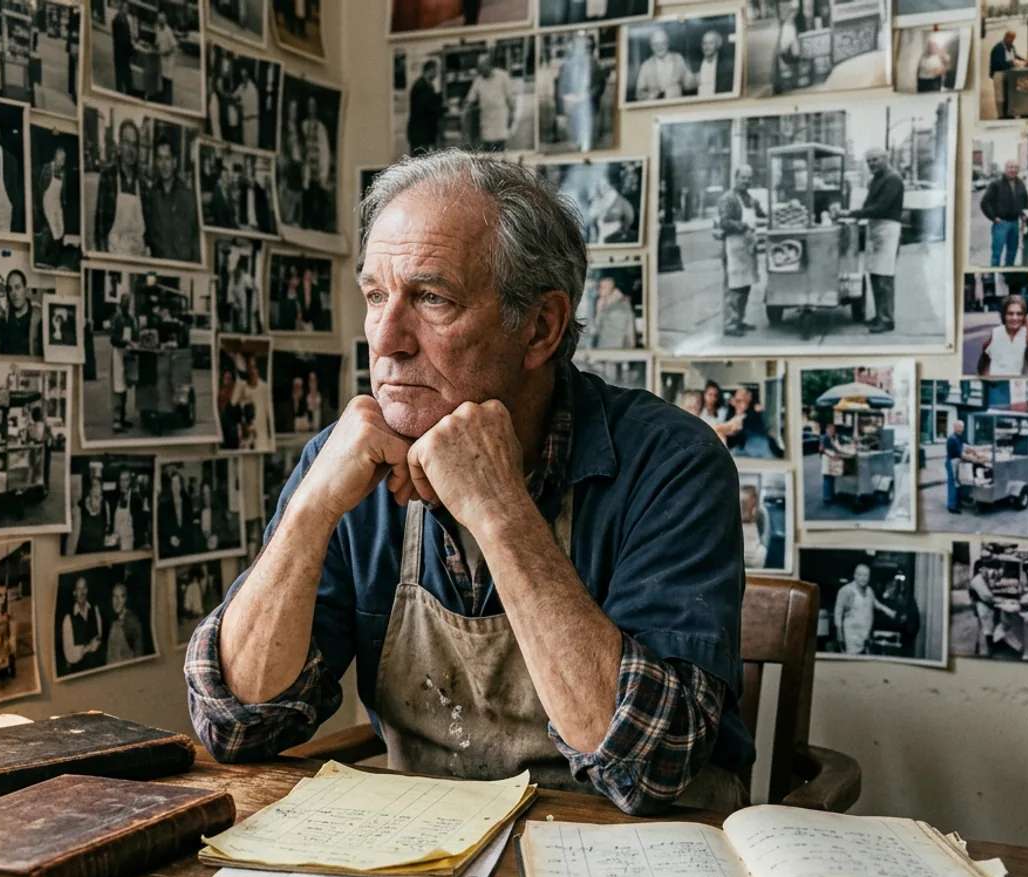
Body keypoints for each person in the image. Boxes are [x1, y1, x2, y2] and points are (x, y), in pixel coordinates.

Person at [186, 151, 755, 816]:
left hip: (633, 859)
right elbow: (236, 724)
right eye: (375, 296)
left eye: (432, 298)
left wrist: (498, 507)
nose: (387, 339)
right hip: (427, 857)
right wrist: (311, 507)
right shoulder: (346, 462)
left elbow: (647, 765)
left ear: (540, 327)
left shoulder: (671, 462)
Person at [847, 149, 904, 333]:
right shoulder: (875, 180)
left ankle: (886, 319)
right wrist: (855, 214)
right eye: (868, 160)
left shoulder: (893, 179)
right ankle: (880, 315)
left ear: (885, 159)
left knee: (884, 276)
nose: (871, 164)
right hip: (875, 227)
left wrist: (853, 214)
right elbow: (868, 205)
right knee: (875, 274)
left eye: (875, 160)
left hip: (888, 228)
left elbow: (881, 207)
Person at [715, 165, 766, 338]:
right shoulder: (728, 199)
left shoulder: (750, 199)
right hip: (732, 247)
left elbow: (761, 214)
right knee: (733, 287)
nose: (746, 181)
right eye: (743, 177)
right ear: (735, 178)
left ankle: (739, 320)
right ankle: (730, 324)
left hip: (747, 248)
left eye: (749, 178)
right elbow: (724, 222)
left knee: (745, 286)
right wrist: (743, 226)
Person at [94, 119, 148, 256]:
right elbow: (99, 227)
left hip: (138, 258)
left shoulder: (142, 183)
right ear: (120, 146)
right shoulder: (108, 177)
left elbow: (148, 231)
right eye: (127, 143)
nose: (131, 150)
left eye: (134, 145)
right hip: (114, 256)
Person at [144, 137, 200, 262]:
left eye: (167, 158)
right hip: (157, 268)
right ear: (156, 162)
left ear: (175, 162)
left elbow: (194, 241)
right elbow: (147, 236)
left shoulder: (187, 196)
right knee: (149, 281)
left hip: (181, 270)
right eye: (160, 158)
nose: (164, 164)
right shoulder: (151, 195)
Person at [833, 564, 895, 655]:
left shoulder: (869, 591)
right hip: (851, 636)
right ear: (855, 575)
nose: (863, 578)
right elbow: (838, 613)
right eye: (860, 575)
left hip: (865, 636)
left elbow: (876, 604)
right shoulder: (846, 591)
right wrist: (839, 634)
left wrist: (890, 612)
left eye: (866, 575)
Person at [554, 34, 602, 151]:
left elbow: (599, 85)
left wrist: (586, 96)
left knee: (589, 141)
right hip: (571, 108)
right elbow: (560, 88)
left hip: (588, 108)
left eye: (587, 47)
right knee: (574, 141)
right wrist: (564, 103)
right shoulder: (566, 66)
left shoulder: (594, 64)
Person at [462, 53, 515, 153]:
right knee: (487, 151)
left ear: (489, 65)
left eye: (482, 67)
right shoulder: (478, 80)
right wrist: (466, 106)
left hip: (500, 119)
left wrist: (511, 117)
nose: (480, 70)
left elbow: (510, 98)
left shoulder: (503, 76)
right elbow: (470, 98)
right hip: (486, 120)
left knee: (500, 149)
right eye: (479, 68)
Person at [980, 160, 1028, 267]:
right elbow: (984, 203)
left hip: (1015, 223)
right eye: (1010, 167)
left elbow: (1025, 200)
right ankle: (992, 275)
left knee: (1012, 251)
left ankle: (1007, 273)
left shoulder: (1020, 184)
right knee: (997, 253)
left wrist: (1024, 214)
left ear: (1018, 170)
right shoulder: (996, 184)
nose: (1013, 170)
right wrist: (994, 218)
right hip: (1001, 224)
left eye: (1015, 167)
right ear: (1005, 169)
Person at [299, 97, 335, 232]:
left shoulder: (320, 127)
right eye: (309, 106)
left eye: (313, 106)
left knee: (318, 199)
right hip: (307, 168)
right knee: (307, 197)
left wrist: (323, 173)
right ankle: (307, 223)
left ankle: (319, 225)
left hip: (317, 169)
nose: (311, 109)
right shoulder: (304, 125)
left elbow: (325, 149)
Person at [978, 294, 1028, 376]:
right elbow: (985, 362)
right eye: (1010, 314)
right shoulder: (996, 332)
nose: (1015, 318)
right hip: (997, 382)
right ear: (1004, 315)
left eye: (1019, 314)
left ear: (1024, 316)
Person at [35, 144, 72, 268]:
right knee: (51, 227)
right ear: (55, 158)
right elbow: (40, 189)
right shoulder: (47, 169)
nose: (61, 162)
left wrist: (64, 202)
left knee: (60, 228)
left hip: (57, 202)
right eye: (59, 159)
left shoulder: (63, 173)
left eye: (63, 160)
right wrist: (39, 207)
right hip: (47, 201)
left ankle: (58, 254)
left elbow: (64, 191)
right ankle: (46, 255)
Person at [634, 30, 694, 101]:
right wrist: (651, 96)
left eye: (663, 43)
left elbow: (689, 83)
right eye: (656, 44)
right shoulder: (646, 66)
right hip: (656, 108)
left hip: (677, 105)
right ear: (651, 46)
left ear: (668, 44)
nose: (659, 47)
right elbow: (639, 94)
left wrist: (691, 81)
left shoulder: (678, 59)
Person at [715, 387, 774, 459]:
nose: (735, 404)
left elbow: (729, 428)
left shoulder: (753, 416)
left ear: (748, 399)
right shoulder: (733, 414)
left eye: (739, 401)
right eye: (735, 401)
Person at [61, 576, 104, 673]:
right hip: (79, 671)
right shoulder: (68, 619)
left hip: (97, 667)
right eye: (78, 589)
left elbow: (99, 638)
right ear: (74, 592)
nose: (81, 593)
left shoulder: (95, 610)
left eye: (84, 588)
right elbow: (69, 655)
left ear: (87, 590)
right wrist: (88, 648)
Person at [0, 270, 42, 357]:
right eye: (10, 289)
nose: (14, 293)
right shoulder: (4, 319)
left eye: (17, 287)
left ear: (26, 290)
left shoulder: (38, 316)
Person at [585, 275, 636, 349]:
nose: (600, 289)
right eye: (600, 286)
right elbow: (595, 329)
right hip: (602, 347)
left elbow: (630, 329)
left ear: (613, 288)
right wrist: (599, 310)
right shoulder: (600, 303)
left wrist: (631, 347)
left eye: (604, 287)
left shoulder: (622, 305)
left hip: (617, 347)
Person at [109, 294, 137, 432]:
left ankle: (122, 417)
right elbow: (113, 339)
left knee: (125, 386)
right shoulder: (118, 317)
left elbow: (134, 335)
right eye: (126, 302)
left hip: (127, 354)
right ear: (122, 303)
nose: (128, 304)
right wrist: (126, 342)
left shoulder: (130, 319)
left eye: (129, 302)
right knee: (118, 387)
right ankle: (116, 421)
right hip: (118, 354)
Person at [585, 173, 636, 244]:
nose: (602, 189)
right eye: (600, 186)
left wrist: (623, 230)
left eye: (605, 186)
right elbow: (592, 216)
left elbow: (629, 217)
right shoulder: (596, 200)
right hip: (599, 236)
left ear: (610, 186)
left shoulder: (618, 200)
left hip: (614, 235)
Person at [407, 59, 443, 155]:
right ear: (430, 70)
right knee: (419, 161)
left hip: (422, 133)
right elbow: (427, 107)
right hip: (420, 133)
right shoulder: (421, 86)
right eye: (436, 71)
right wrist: (441, 109)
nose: (437, 74)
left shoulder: (426, 84)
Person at [112, 469, 150, 552]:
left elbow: (140, 525)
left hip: (130, 543)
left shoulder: (134, 498)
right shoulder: (117, 498)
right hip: (117, 542)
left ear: (130, 482)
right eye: (121, 480)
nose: (123, 483)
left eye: (126, 480)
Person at [988, 30, 1023, 119]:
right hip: (999, 74)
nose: (1012, 41)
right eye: (1010, 39)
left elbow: (1015, 56)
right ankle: (1001, 116)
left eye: (1013, 39)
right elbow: (1000, 63)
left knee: (1010, 94)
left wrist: (1023, 59)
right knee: (1000, 97)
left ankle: (1009, 113)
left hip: (1009, 74)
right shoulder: (998, 48)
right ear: (1005, 37)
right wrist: (1013, 63)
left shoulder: (1012, 47)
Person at [73, 478, 113, 553]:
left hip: (98, 547)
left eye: (97, 486)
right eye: (92, 486)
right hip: (83, 547)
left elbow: (108, 525)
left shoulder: (105, 505)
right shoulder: (82, 503)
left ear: (101, 488)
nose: (94, 488)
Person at [159, 469, 193, 557]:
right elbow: (161, 529)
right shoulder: (164, 506)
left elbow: (190, 526)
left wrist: (183, 539)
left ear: (181, 485)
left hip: (186, 550)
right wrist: (170, 538)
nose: (175, 486)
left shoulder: (187, 504)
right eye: (173, 484)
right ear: (170, 486)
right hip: (171, 551)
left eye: (177, 483)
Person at [966, 566, 998, 656]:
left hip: (979, 602)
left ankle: (981, 646)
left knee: (984, 625)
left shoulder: (981, 578)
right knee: (987, 624)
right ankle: (989, 648)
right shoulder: (978, 581)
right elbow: (987, 596)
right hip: (981, 604)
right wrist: (996, 600)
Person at [110, 4, 138, 97]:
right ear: (121, 9)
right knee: (124, 72)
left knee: (120, 72)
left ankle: (121, 90)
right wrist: (131, 49)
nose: (127, 11)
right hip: (122, 52)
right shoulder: (120, 21)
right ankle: (126, 91)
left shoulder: (121, 19)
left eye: (127, 9)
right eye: (125, 8)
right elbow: (123, 39)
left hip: (120, 52)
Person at [739, 484, 768, 570]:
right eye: (742, 501)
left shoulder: (760, 514)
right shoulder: (734, 514)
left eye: (745, 501)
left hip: (755, 552)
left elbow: (763, 534)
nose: (743, 504)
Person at [819, 422, 850, 504]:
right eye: (831, 429)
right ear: (827, 429)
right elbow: (821, 449)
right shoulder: (824, 437)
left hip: (831, 461)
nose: (832, 431)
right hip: (826, 460)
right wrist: (831, 455)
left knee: (831, 478)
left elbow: (837, 447)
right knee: (827, 479)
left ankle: (831, 495)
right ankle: (826, 498)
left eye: (833, 429)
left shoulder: (832, 438)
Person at [696, 30, 731, 97]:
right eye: (704, 43)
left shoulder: (725, 65)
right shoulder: (696, 64)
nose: (707, 46)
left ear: (718, 44)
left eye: (711, 43)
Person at [944, 419, 965, 514]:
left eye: (962, 427)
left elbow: (965, 446)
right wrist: (975, 458)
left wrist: (974, 451)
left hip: (956, 462)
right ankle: (951, 506)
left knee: (958, 483)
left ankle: (958, 502)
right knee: (952, 484)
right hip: (952, 462)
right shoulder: (952, 439)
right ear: (955, 427)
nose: (961, 429)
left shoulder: (959, 437)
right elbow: (959, 453)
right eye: (959, 427)